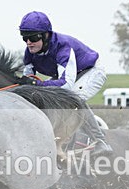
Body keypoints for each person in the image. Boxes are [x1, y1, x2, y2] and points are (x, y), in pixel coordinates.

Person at [18, 11, 112, 156]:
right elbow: (27, 80)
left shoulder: (63, 47)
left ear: (46, 35)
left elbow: (66, 85)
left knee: (72, 99)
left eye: (33, 37)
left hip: (91, 71)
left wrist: (38, 85)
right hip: (66, 74)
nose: (29, 42)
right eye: (25, 38)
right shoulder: (30, 51)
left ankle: (101, 141)